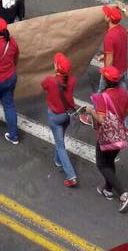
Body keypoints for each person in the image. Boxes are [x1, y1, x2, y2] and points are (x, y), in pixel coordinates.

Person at [83, 65, 128, 212]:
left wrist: (90, 110)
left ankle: (123, 194)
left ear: (105, 80)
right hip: (120, 135)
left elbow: (102, 119)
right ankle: (108, 189)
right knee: (109, 162)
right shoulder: (123, 92)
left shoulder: (101, 97)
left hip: (106, 138)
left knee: (101, 164)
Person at [83, 5, 128, 136]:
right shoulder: (122, 30)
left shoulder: (109, 36)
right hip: (122, 69)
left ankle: (91, 118)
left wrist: (106, 73)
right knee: (125, 96)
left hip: (112, 73)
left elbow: (110, 59)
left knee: (100, 95)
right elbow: (119, 49)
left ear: (108, 18)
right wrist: (104, 55)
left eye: (106, 14)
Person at [41, 53, 78, 187]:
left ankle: (71, 175)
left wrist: (53, 75)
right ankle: (57, 160)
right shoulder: (72, 80)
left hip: (55, 116)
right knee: (60, 137)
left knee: (60, 145)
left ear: (56, 67)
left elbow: (43, 85)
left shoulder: (50, 81)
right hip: (67, 115)